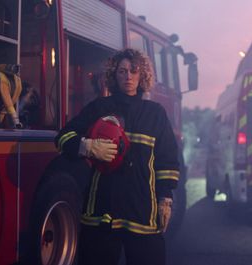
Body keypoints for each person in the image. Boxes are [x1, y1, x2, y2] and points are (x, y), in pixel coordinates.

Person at [55, 48, 180, 265]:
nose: (128, 76)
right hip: (102, 213)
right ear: (114, 76)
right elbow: (63, 137)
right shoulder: (99, 108)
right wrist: (87, 147)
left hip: (142, 213)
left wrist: (165, 199)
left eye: (133, 71)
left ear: (142, 76)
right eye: (122, 71)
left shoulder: (155, 113)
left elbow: (166, 159)